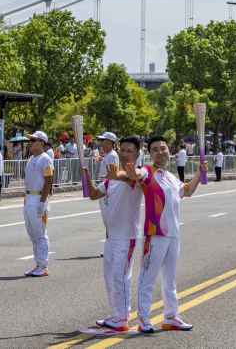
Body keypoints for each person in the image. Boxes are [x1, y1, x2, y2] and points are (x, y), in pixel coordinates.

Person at [134, 134, 207, 333]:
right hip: (155, 233)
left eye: (163, 148)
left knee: (170, 278)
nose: (160, 151)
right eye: (155, 149)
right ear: (150, 154)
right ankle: (143, 319)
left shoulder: (171, 177)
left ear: (169, 151)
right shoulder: (147, 172)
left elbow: (188, 191)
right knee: (147, 277)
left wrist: (200, 175)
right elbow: (136, 174)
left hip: (173, 233)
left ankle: (171, 316)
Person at [85, 135, 143, 333]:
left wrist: (116, 175)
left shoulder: (137, 175)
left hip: (126, 238)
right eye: (123, 150)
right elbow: (94, 195)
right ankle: (115, 313)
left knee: (121, 276)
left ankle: (123, 317)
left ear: (137, 154)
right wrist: (86, 175)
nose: (126, 153)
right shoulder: (112, 180)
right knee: (110, 277)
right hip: (110, 237)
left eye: (130, 151)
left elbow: (131, 178)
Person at [24, 131, 55, 277]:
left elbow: (48, 181)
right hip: (29, 198)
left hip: (38, 199)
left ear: (41, 143)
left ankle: (43, 265)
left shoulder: (45, 159)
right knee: (32, 234)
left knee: (40, 234)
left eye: (33, 140)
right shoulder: (31, 158)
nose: (30, 143)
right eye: (30, 141)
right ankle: (37, 264)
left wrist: (42, 202)